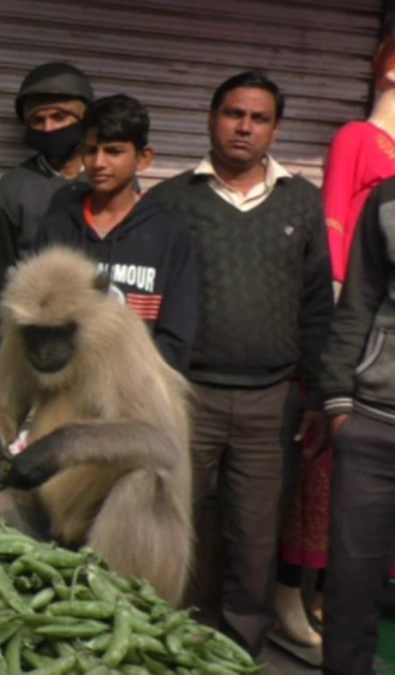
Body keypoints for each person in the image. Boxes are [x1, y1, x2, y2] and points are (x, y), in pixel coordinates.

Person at [147, 71, 333, 657]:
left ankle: (236, 653)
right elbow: (142, 298)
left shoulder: (302, 200)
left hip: (270, 403)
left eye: (258, 118)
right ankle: (158, 644)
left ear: (275, 129)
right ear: (212, 119)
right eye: (233, 114)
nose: (244, 127)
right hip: (185, 396)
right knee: (169, 525)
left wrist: (320, 394)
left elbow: (316, 305)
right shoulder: (170, 200)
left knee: (254, 540)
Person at [276, 38, 395, 650]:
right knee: (321, 483)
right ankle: (294, 595)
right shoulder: (357, 138)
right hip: (352, 338)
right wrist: (339, 355)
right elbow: (333, 226)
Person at [34, 94, 198, 374]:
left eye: (114, 151)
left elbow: (177, 338)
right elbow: (37, 318)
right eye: (90, 151)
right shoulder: (58, 228)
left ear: (143, 159)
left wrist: (133, 382)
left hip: (138, 391)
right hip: (66, 388)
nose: (99, 162)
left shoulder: (170, 234)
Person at [319, 176, 395, 675]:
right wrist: (339, 400)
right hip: (374, 423)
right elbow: (359, 300)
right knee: (350, 587)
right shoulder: (388, 199)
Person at [0, 62, 94, 355]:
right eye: (38, 121)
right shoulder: (12, 189)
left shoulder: (111, 181)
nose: (48, 128)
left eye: (60, 116)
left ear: (86, 118)